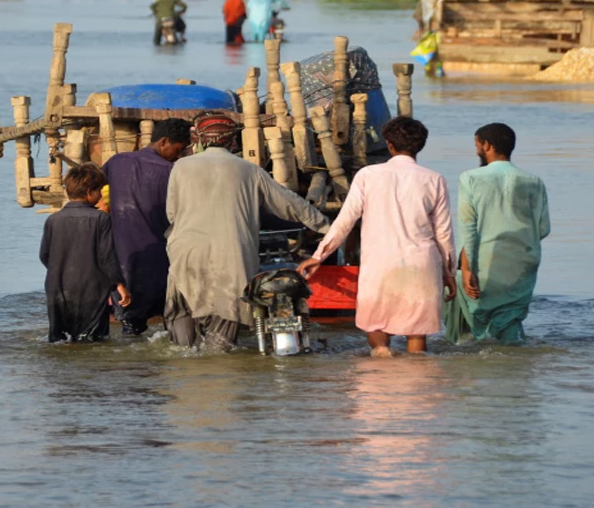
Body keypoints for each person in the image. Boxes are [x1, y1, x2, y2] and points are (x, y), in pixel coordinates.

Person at [164, 114, 330, 350]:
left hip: (186, 252)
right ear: (233, 141)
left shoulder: (180, 167)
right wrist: (328, 228)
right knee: (223, 328)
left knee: (183, 320)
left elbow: (172, 213)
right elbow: (291, 204)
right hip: (232, 255)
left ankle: (185, 365)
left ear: (199, 138)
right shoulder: (249, 170)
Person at [299, 117, 455, 356]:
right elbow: (443, 233)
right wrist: (448, 273)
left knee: (376, 325)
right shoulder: (434, 179)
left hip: (380, 264)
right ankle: (420, 386)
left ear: (389, 145)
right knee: (416, 333)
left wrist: (319, 256)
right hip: (421, 263)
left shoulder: (367, 175)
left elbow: (346, 220)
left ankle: (380, 369)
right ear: (420, 146)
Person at [443, 123, 550, 345]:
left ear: (487, 145)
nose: (476, 151)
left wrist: (468, 267)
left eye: (477, 145)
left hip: (486, 261)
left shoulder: (470, 178)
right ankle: (516, 369)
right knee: (510, 319)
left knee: (465, 309)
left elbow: (468, 228)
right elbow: (543, 229)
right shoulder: (534, 181)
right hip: (524, 262)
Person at [103, 118, 192, 335]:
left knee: (131, 327)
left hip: (122, 261)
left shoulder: (116, 162)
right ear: (164, 142)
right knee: (171, 323)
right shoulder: (172, 172)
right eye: (178, 150)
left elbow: (98, 192)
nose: (179, 156)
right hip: (158, 260)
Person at [39, 164, 132, 343]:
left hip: (57, 288)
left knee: (61, 340)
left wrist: (62, 271)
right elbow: (107, 256)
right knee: (93, 341)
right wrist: (119, 285)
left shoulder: (53, 220)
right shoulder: (101, 219)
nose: (99, 197)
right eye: (98, 191)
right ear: (90, 192)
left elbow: (45, 255)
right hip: (92, 290)